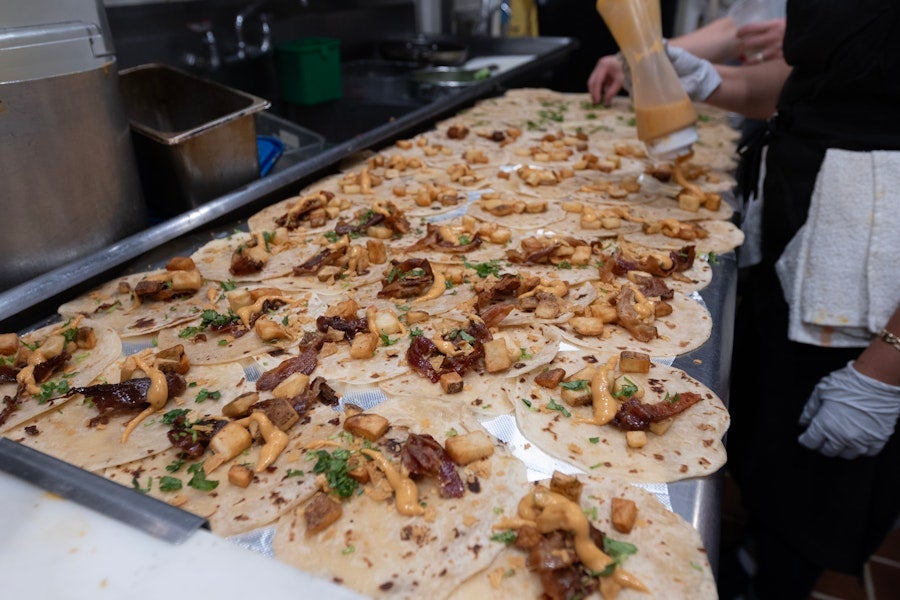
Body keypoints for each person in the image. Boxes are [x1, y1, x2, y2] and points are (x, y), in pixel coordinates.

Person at [596, 2, 900, 598]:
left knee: (818, 487)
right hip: (796, 239)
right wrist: (716, 81)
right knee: (767, 441)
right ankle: (751, 554)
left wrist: (887, 366)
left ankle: (775, 578)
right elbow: (820, 89)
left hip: (869, 296)